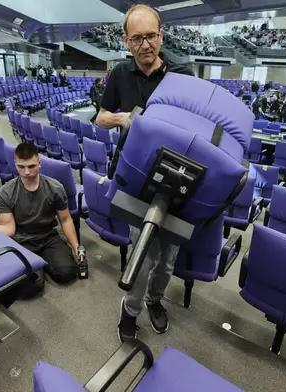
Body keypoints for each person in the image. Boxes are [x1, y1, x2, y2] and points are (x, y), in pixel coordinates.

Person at [95, 4, 193, 343]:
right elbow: (100, 117)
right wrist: (125, 118)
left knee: (167, 261)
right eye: (136, 38)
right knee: (143, 256)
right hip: (136, 179)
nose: (145, 44)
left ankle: (155, 300)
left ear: (161, 35)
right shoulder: (120, 74)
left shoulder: (184, 75)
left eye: (150, 36)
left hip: (178, 181)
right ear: (126, 40)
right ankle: (131, 309)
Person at [0, 143, 82, 285]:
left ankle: (46, 259)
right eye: (21, 167)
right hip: (22, 239)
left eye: (31, 166)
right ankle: (39, 262)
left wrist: (76, 247)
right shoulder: (6, 193)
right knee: (31, 284)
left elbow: (65, 220)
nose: (26, 172)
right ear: (15, 164)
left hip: (48, 236)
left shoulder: (55, 188)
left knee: (67, 273)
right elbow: (8, 228)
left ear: (39, 164)